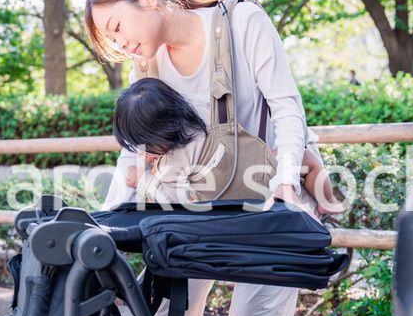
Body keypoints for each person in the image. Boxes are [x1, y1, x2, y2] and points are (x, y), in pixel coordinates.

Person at [84, 0, 333, 316]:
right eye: (110, 39)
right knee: (167, 312)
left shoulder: (241, 20)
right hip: (196, 203)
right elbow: (135, 151)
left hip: (266, 199)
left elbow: (286, 106)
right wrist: (111, 218)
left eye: (117, 26)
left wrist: (287, 183)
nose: (119, 42)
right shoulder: (148, 61)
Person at [114, 77, 337, 216]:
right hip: (253, 173)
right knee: (306, 160)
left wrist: (144, 179)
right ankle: (329, 202)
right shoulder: (199, 119)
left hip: (231, 203)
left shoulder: (171, 164)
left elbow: (170, 202)